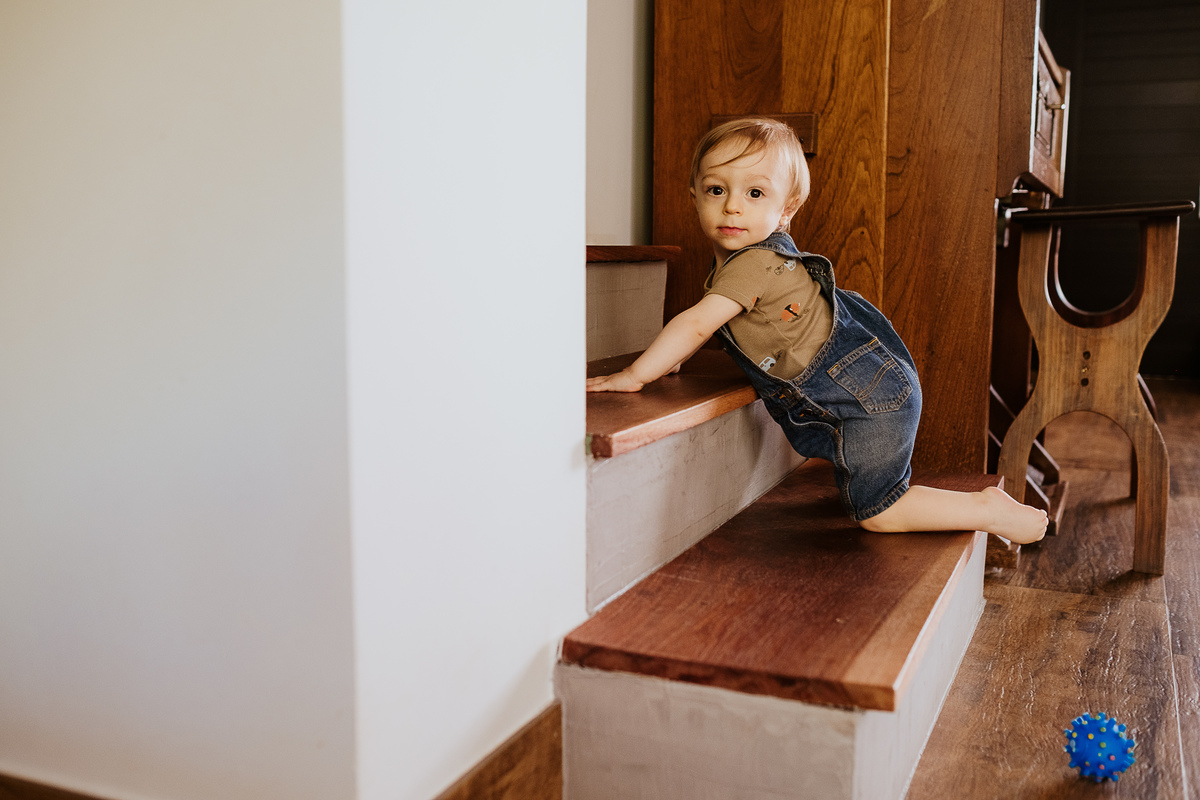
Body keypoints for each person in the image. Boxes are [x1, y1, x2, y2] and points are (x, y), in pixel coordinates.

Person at [587, 117, 1047, 545]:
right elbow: (711, 323)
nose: (732, 206)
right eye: (716, 189)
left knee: (878, 510)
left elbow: (696, 322)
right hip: (873, 389)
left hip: (870, 404)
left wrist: (636, 374)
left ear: (786, 208)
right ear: (694, 197)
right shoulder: (752, 260)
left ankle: (985, 510)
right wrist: (673, 359)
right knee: (873, 493)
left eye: (755, 193)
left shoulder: (754, 264)